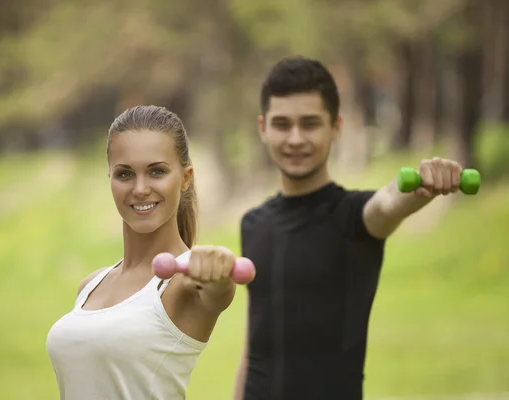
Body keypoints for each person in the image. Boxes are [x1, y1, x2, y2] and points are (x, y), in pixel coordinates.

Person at [233, 56, 467, 400]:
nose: (295, 138)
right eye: (282, 124)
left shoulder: (354, 217)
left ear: (336, 127)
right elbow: (256, 343)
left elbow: (387, 203)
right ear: (262, 128)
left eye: (310, 123)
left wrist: (420, 188)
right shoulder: (252, 223)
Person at [46, 105, 252, 400]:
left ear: (185, 178)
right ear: (110, 179)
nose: (140, 188)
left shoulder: (185, 283)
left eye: (156, 171)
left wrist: (217, 266)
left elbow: (217, 291)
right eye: (125, 174)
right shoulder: (90, 286)